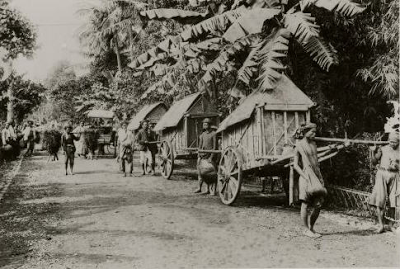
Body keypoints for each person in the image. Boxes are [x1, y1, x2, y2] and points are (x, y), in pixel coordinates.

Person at [293, 123, 327, 238]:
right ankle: (306, 229)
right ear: (305, 132)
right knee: (305, 204)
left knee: (318, 204)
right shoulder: (299, 145)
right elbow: (295, 165)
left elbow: (316, 163)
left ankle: (312, 227)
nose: (314, 134)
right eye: (312, 132)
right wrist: (304, 176)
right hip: (306, 176)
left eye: (315, 132)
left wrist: (319, 177)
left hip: (316, 175)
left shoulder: (314, 144)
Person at [368, 132, 399, 233]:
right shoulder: (383, 149)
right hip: (382, 174)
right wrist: (372, 151)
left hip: (394, 176)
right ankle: (381, 225)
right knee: (379, 200)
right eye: (390, 141)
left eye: (394, 142)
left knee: (393, 201)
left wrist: (397, 166)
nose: (391, 144)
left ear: (398, 142)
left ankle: (390, 225)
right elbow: (373, 162)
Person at [195, 118, 217, 194]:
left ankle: (211, 190)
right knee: (201, 173)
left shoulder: (214, 134)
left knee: (211, 174)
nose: (204, 125)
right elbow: (200, 147)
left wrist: (211, 157)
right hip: (202, 156)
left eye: (205, 124)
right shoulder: (202, 135)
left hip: (210, 157)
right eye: (203, 124)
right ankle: (200, 188)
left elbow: (215, 147)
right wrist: (199, 156)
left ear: (209, 125)